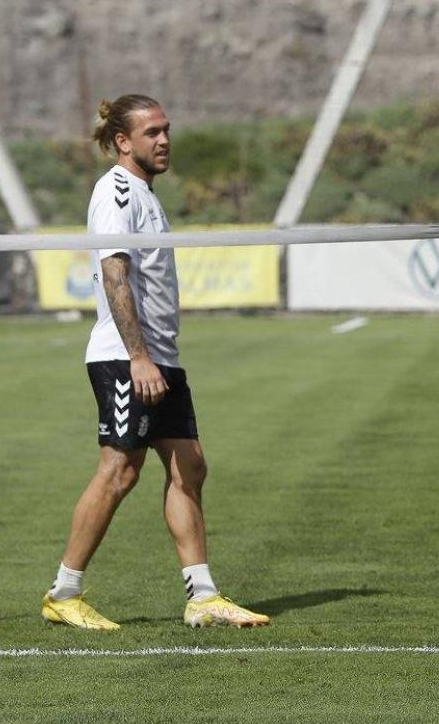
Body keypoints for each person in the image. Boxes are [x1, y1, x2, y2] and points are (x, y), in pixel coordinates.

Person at [41, 95, 269, 630]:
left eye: (167, 130)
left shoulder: (144, 192)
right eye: (151, 133)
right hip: (127, 357)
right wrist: (139, 359)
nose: (164, 140)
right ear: (123, 142)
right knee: (120, 470)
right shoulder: (116, 191)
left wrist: (156, 358)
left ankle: (203, 596)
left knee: (189, 467)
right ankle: (64, 593)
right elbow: (115, 274)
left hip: (160, 357)